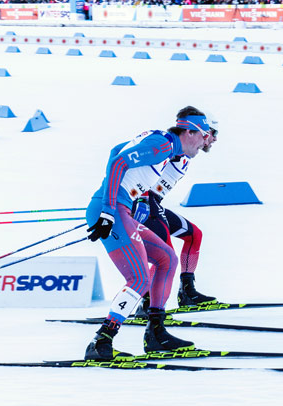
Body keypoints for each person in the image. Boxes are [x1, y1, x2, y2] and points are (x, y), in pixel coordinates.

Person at [84, 109, 212, 361]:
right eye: (203, 135)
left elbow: (116, 151)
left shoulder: (167, 147)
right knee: (139, 278)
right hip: (111, 208)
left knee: (167, 258)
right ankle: (101, 341)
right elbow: (118, 163)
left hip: (121, 208)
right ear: (189, 131)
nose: (204, 141)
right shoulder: (163, 144)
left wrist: (131, 198)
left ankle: (156, 333)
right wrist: (109, 208)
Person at [132, 106, 219, 316]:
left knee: (194, 235)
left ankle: (187, 292)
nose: (212, 140)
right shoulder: (175, 148)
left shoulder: (189, 152)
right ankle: (148, 305)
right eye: (211, 134)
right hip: (144, 203)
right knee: (165, 256)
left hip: (155, 204)